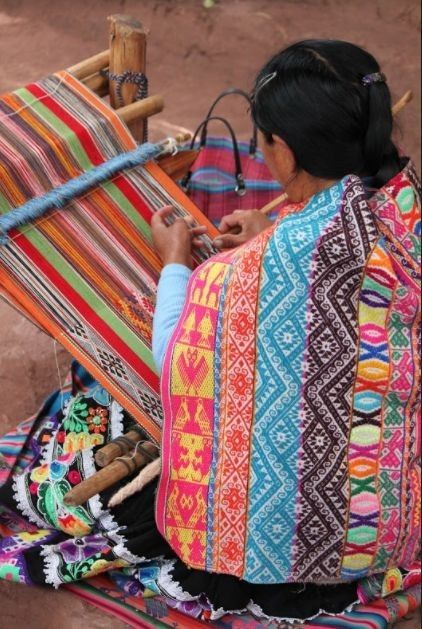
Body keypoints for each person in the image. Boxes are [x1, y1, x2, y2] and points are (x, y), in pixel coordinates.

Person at [0, 39, 420, 624]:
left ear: (287, 153)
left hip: (280, 549)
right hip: (387, 522)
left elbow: (177, 367)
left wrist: (175, 260)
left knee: (90, 418)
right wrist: (273, 227)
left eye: (264, 141)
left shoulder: (234, 278)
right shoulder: (403, 206)